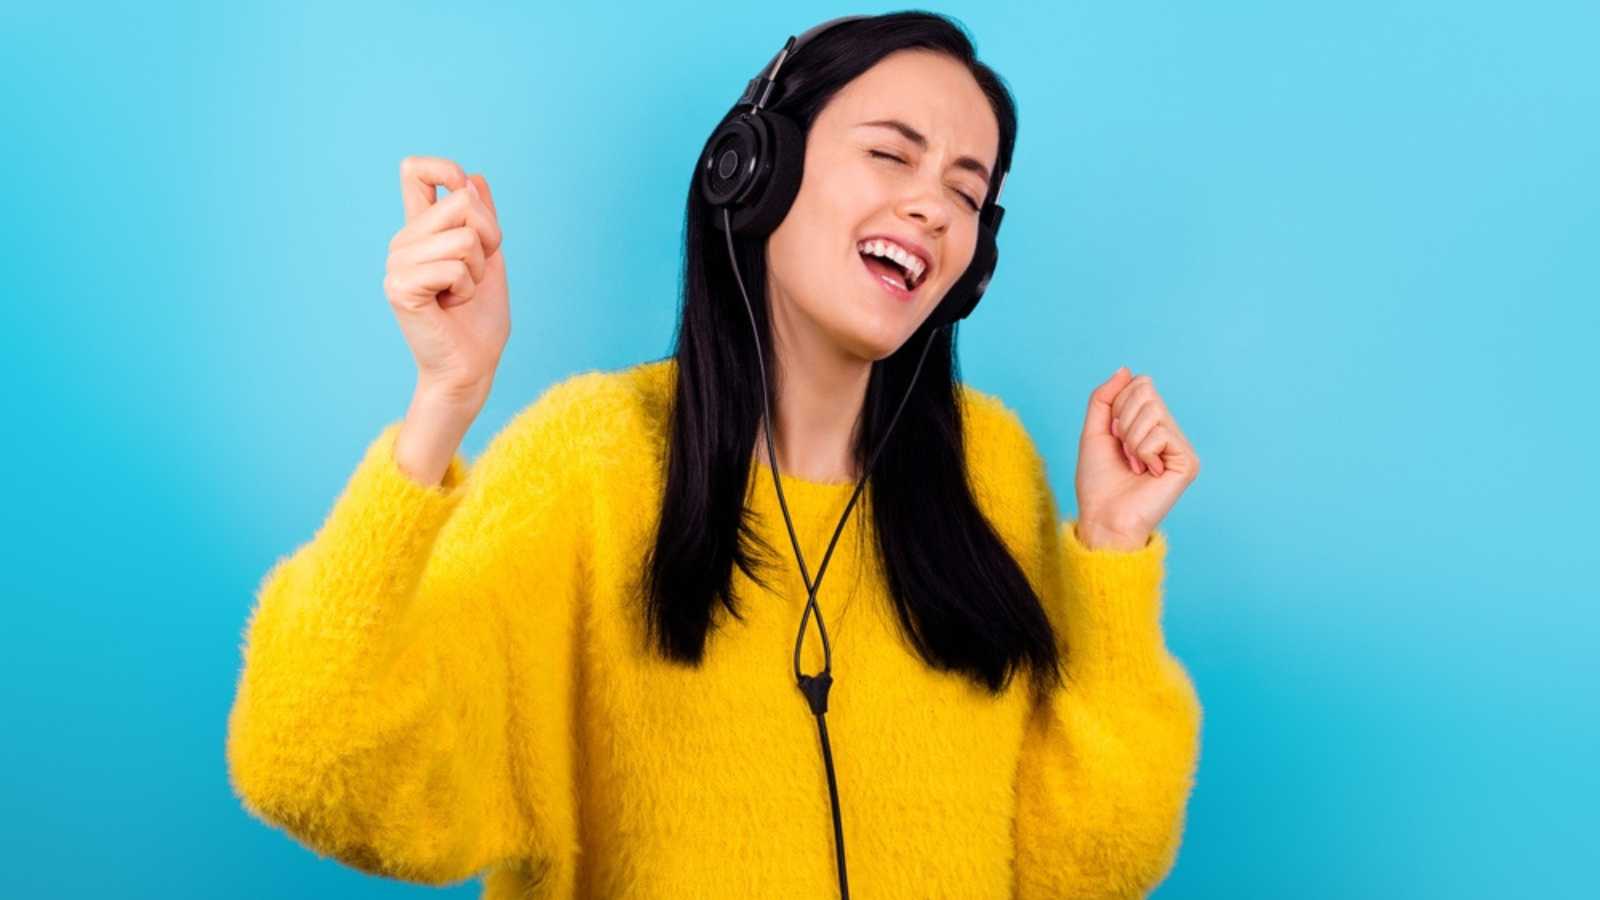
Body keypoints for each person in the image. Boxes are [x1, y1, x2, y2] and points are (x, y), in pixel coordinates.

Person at [225, 12, 1203, 899]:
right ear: (754, 169)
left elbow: (1089, 863)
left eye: (965, 190)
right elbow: (313, 761)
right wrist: (444, 403)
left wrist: (1111, 552)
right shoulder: (590, 462)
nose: (933, 210)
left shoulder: (988, 473)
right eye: (891, 156)